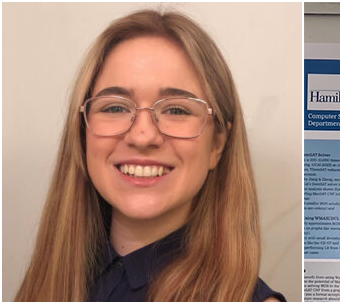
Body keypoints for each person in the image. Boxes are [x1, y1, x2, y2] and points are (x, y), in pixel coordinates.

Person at [14, 10, 284, 301]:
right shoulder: (47, 284)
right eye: (115, 107)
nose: (143, 136)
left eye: (176, 110)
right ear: (82, 133)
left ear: (217, 144)